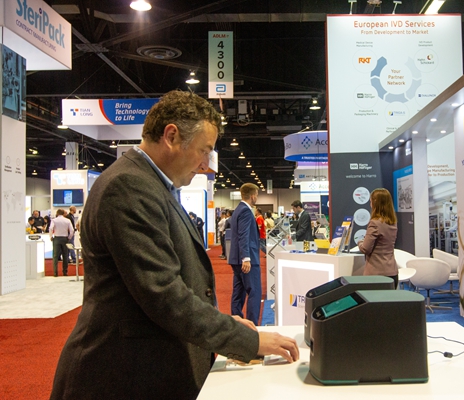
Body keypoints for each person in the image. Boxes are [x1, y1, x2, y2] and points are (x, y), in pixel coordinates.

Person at [50, 90, 298, 400]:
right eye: (204, 150)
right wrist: (246, 341)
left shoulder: (150, 185)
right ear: (171, 136)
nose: (205, 164)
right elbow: (164, 295)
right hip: (118, 376)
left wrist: (222, 323)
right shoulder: (128, 186)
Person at [229, 183, 262, 325]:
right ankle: (252, 325)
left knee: (238, 293)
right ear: (253, 196)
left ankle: (236, 324)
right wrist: (246, 258)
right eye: (257, 195)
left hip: (236, 259)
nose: (257, 198)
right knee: (254, 292)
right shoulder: (246, 211)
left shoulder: (237, 210)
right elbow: (244, 235)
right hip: (247, 259)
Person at [357, 188, 399, 288]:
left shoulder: (374, 223)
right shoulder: (392, 222)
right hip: (392, 272)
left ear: (375, 203)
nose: (370, 204)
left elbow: (365, 249)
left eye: (371, 201)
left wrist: (360, 242)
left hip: (376, 275)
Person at [49, 209, 74, 277]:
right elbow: (72, 230)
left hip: (57, 238)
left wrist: (51, 236)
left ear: (57, 213)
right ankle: (65, 272)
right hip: (65, 238)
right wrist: (69, 238)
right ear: (63, 214)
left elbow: (51, 228)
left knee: (55, 256)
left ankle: (55, 273)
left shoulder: (54, 220)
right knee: (65, 255)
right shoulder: (67, 220)